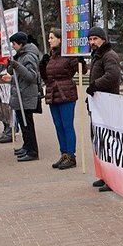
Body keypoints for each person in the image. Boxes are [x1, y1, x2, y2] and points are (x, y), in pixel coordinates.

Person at [85, 26, 121, 191]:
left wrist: (94, 85)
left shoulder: (109, 55)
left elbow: (112, 76)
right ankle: (104, 175)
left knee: (109, 143)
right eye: (90, 39)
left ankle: (112, 179)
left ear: (103, 39)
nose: (92, 42)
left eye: (95, 39)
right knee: (99, 142)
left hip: (108, 106)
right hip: (98, 106)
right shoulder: (97, 56)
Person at [41, 28, 80, 170]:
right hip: (53, 94)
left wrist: (79, 60)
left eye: (52, 38)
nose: (49, 40)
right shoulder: (51, 57)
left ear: (60, 39)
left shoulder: (69, 55)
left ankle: (71, 155)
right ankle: (63, 153)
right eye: (49, 38)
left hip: (66, 93)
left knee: (67, 125)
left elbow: (82, 70)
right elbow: (47, 77)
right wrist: (42, 66)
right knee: (58, 125)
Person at [1, 32, 42, 162]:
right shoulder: (20, 56)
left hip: (26, 95)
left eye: (14, 44)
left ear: (21, 43)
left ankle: (32, 151)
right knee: (24, 125)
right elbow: (18, 77)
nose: (12, 46)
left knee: (27, 124)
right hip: (20, 94)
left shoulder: (29, 56)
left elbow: (30, 77)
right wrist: (11, 71)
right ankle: (26, 146)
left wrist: (17, 66)